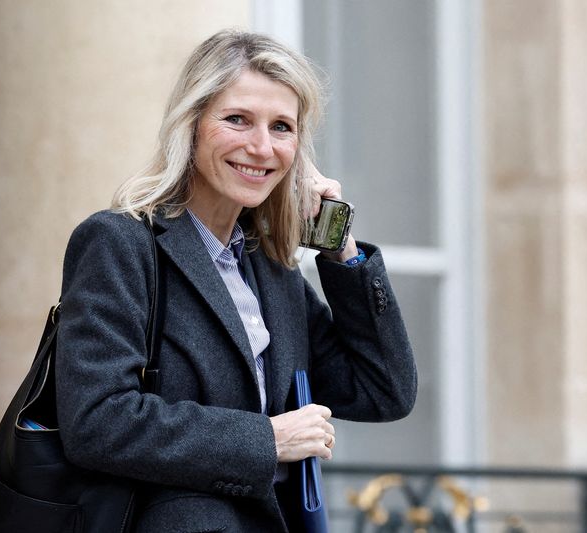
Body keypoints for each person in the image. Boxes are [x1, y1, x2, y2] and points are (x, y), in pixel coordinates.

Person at [56, 29, 417, 532]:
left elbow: (382, 391)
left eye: (282, 127)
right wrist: (267, 441)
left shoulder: (271, 270)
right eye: (237, 120)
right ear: (193, 125)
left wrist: (340, 246)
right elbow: (97, 421)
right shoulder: (121, 243)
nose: (261, 147)